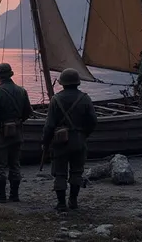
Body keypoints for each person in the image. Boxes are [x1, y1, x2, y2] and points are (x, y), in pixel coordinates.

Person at [42, 68, 98, 211]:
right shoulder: (85, 98)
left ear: (62, 83)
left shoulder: (56, 99)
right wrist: (84, 134)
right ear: (77, 83)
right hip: (79, 140)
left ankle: (61, 204)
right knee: (76, 172)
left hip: (60, 142)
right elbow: (93, 121)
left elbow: (49, 126)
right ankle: (73, 201)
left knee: (60, 172)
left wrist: (46, 143)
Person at [0, 63, 33, 202]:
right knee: (14, 163)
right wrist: (18, 122)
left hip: (0, 134)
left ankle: (0, 195)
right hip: (17, 133)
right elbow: (28, 111)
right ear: (11, 75)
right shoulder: (22, 91)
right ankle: (14, 195)